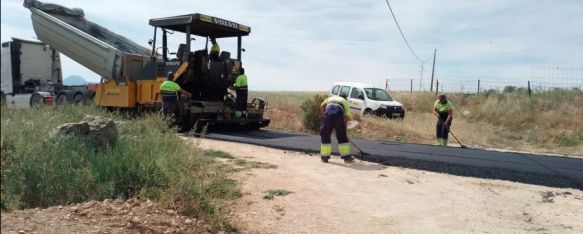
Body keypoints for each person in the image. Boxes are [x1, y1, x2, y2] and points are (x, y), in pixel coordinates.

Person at [319, 94, 354, 163]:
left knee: (325, 135)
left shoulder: (331, 98)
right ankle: (346, 157)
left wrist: (325, 115)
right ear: (345, 98)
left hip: (327, 116)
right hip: (338, 117)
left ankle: (324, 157)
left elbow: (321, 106)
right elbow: (347, 117)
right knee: (342, 137)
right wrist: (342, 128)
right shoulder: (345, 102)